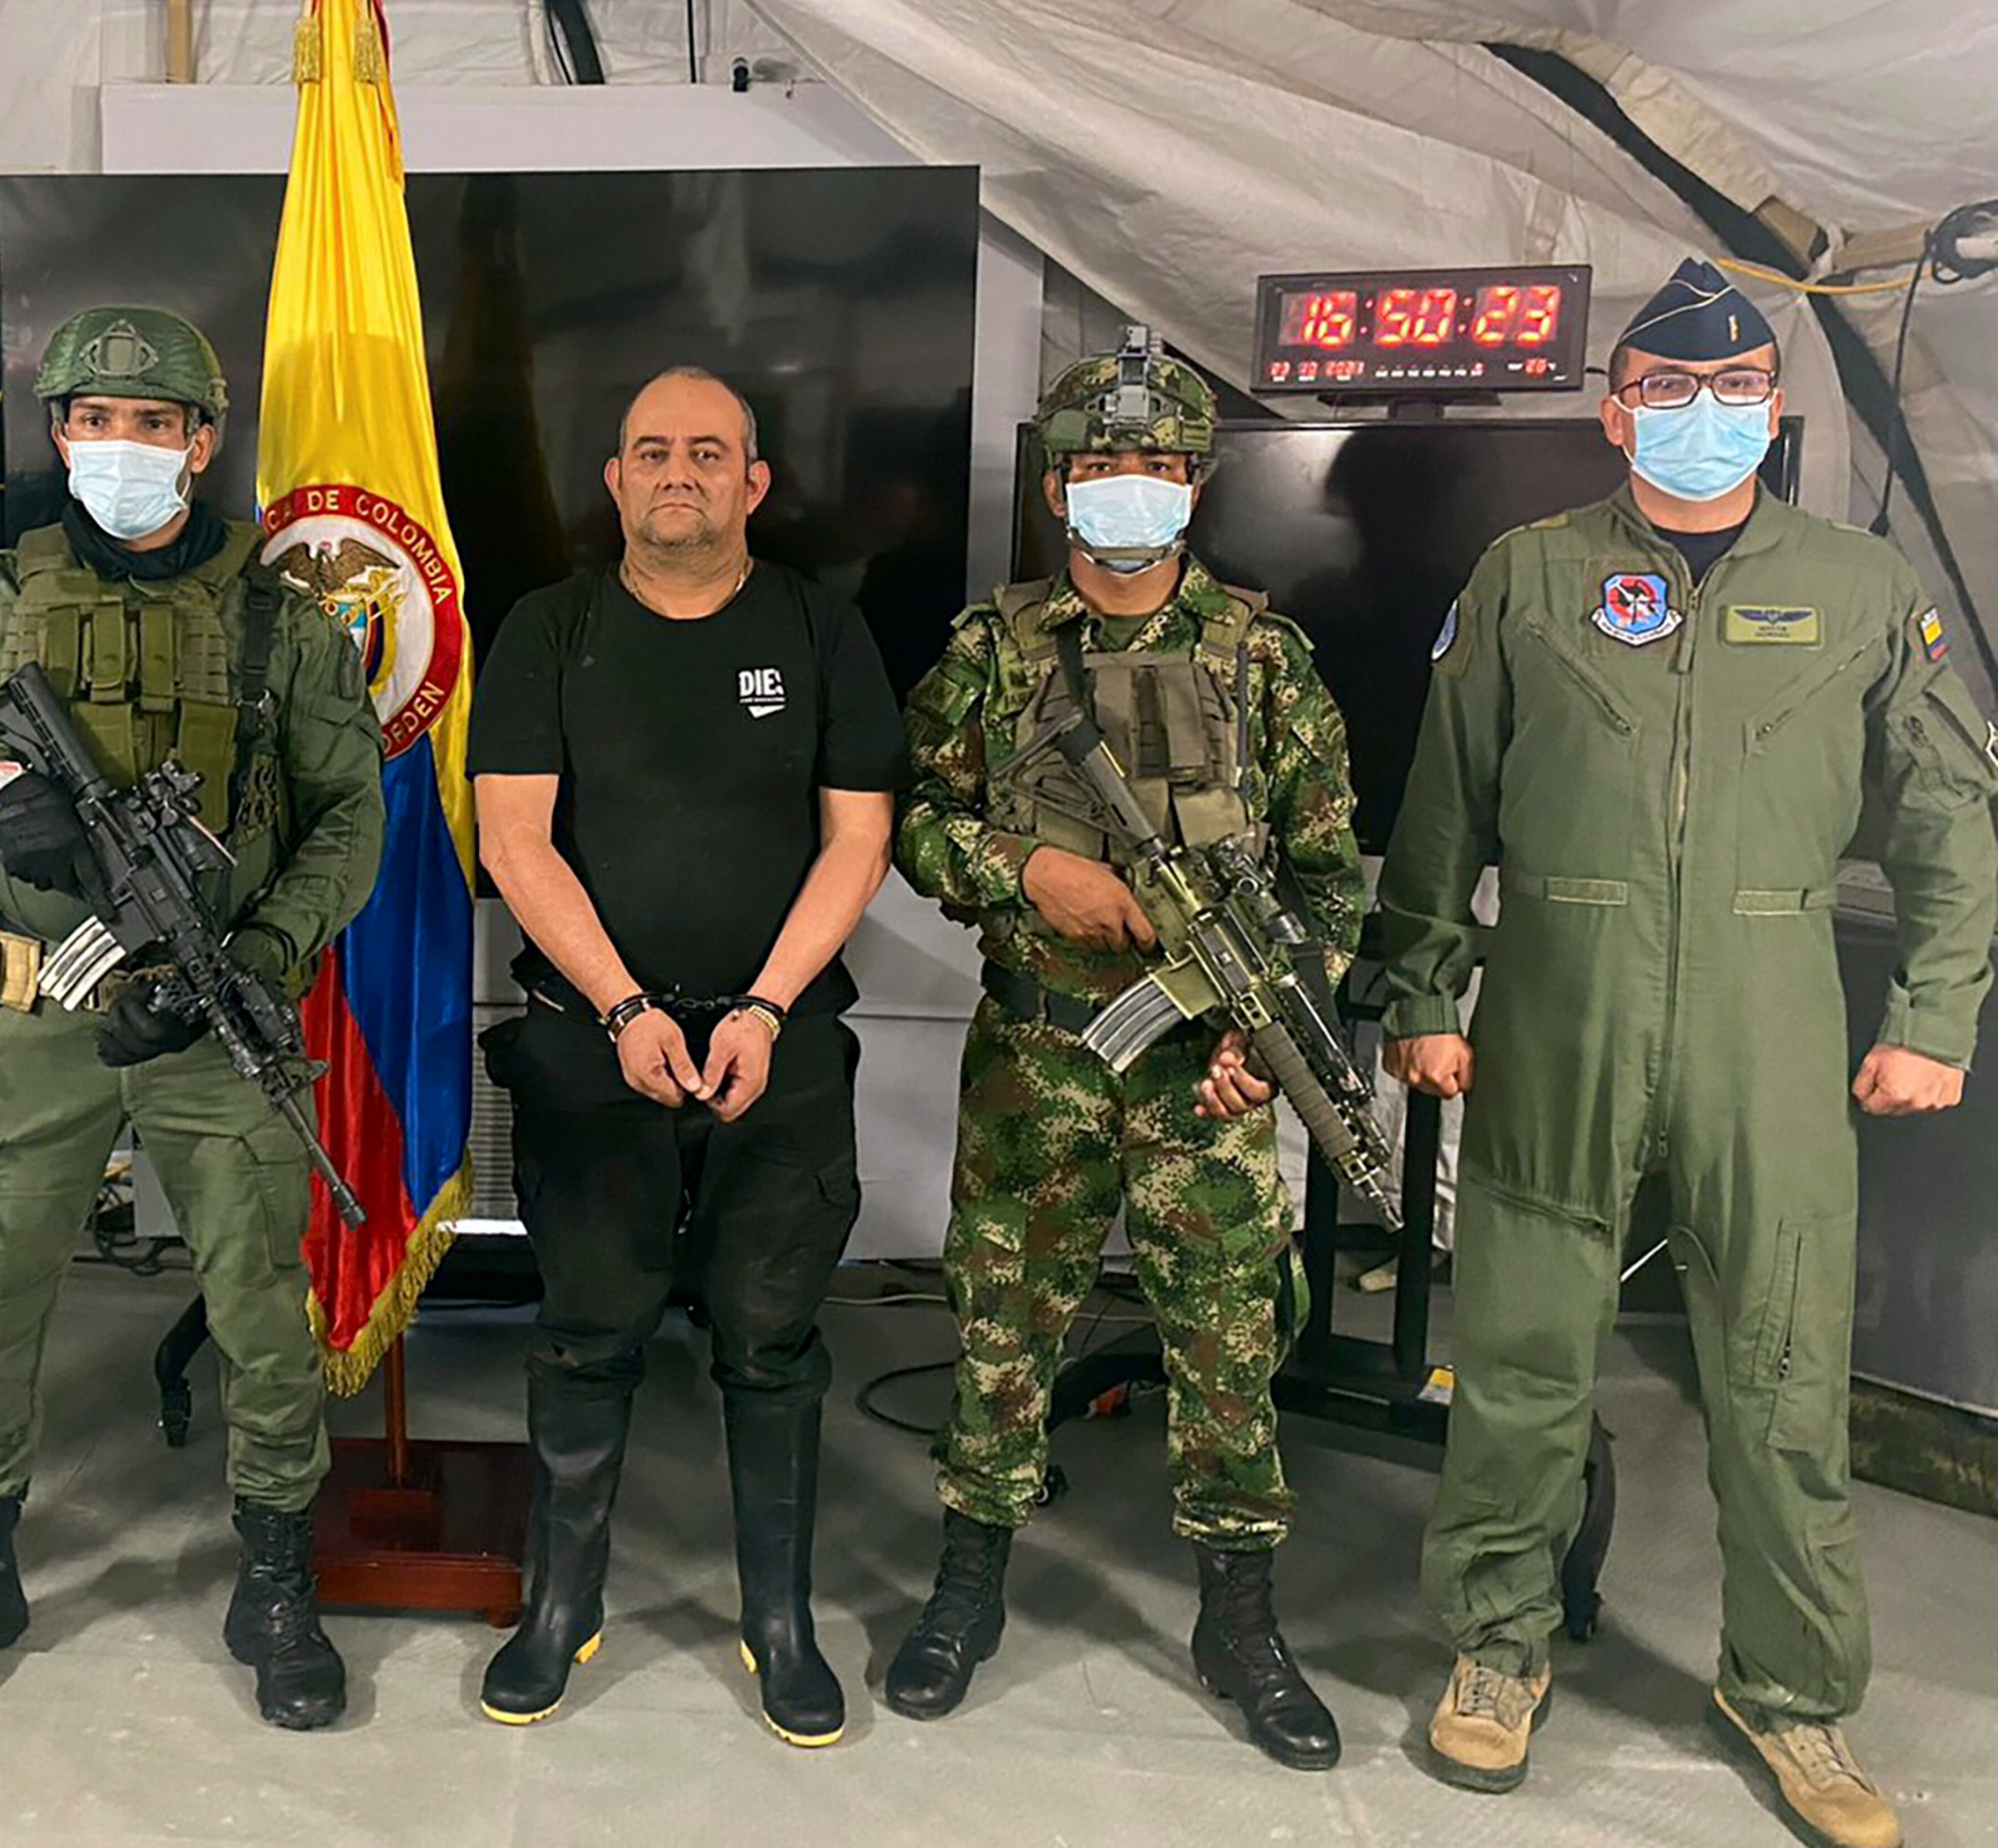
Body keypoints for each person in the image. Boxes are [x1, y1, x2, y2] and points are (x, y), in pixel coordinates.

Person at [1380, 258, 1997, 1847]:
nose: (1701, 416)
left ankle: (1793, 1692)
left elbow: (1951, 816)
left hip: (1770, 1005)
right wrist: (1424, 991)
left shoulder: (1861, 589)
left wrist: (1935, 1014)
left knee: (1786, 1381)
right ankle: (1497, 1648)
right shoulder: (1528, 574)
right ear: (1616, 409)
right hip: (1558, 1005)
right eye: (1667, 388)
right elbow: (1441, 804)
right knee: (1519, 1355)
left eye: (1731, 393)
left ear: (1774, 410)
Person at [0, 305, 385, 1728]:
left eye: (151, 424)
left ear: (202, 442)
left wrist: (255, 949)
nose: (119, 448)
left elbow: (348, 822)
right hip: (34, 1010)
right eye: (91, 420)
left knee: (263, 1305)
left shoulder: (282, 620)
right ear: (55, 436)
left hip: (217, 1011)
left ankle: (272, 1571)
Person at [884, 333, 1363, 1770]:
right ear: (1056, 487)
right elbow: (909, 820)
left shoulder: (1266, 663)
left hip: (1204, 1074)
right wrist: (1023, 870)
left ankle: (1239, 1615)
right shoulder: (988, 652)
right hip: (1039, 1054)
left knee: (1226, 1342)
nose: (1125, 490)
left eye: (1153, 466)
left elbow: (1332, 881)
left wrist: (1260, 1039)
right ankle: (967, 1582)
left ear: (1194, 483)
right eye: (1099, 465)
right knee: (1000, 1325)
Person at [469, 367, 903, 1747]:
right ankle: (560, 1607)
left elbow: (859, 840)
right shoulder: (548, 629)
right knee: (586, 1333)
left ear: (753, 484)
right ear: (614, 479)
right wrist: (622, 1008)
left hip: (778, 1046)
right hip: (596, 1045)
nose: (678, 472)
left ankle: (779, 1621)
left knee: (772, 1343)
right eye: (650, 449)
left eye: (707, 453)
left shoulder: (824, 631)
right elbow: (513, 839)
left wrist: (765, 1009)